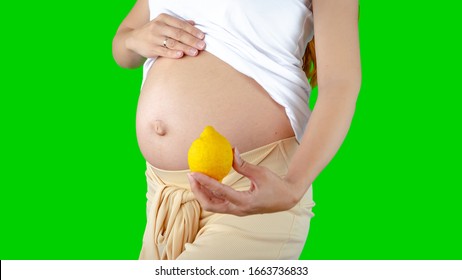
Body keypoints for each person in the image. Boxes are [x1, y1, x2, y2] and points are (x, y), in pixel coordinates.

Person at [112, 0, 361, 260]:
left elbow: (341, 83)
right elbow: (123, 45)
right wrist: (135, 39)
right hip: (161, 195)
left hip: (252, 190)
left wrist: (293, 186)